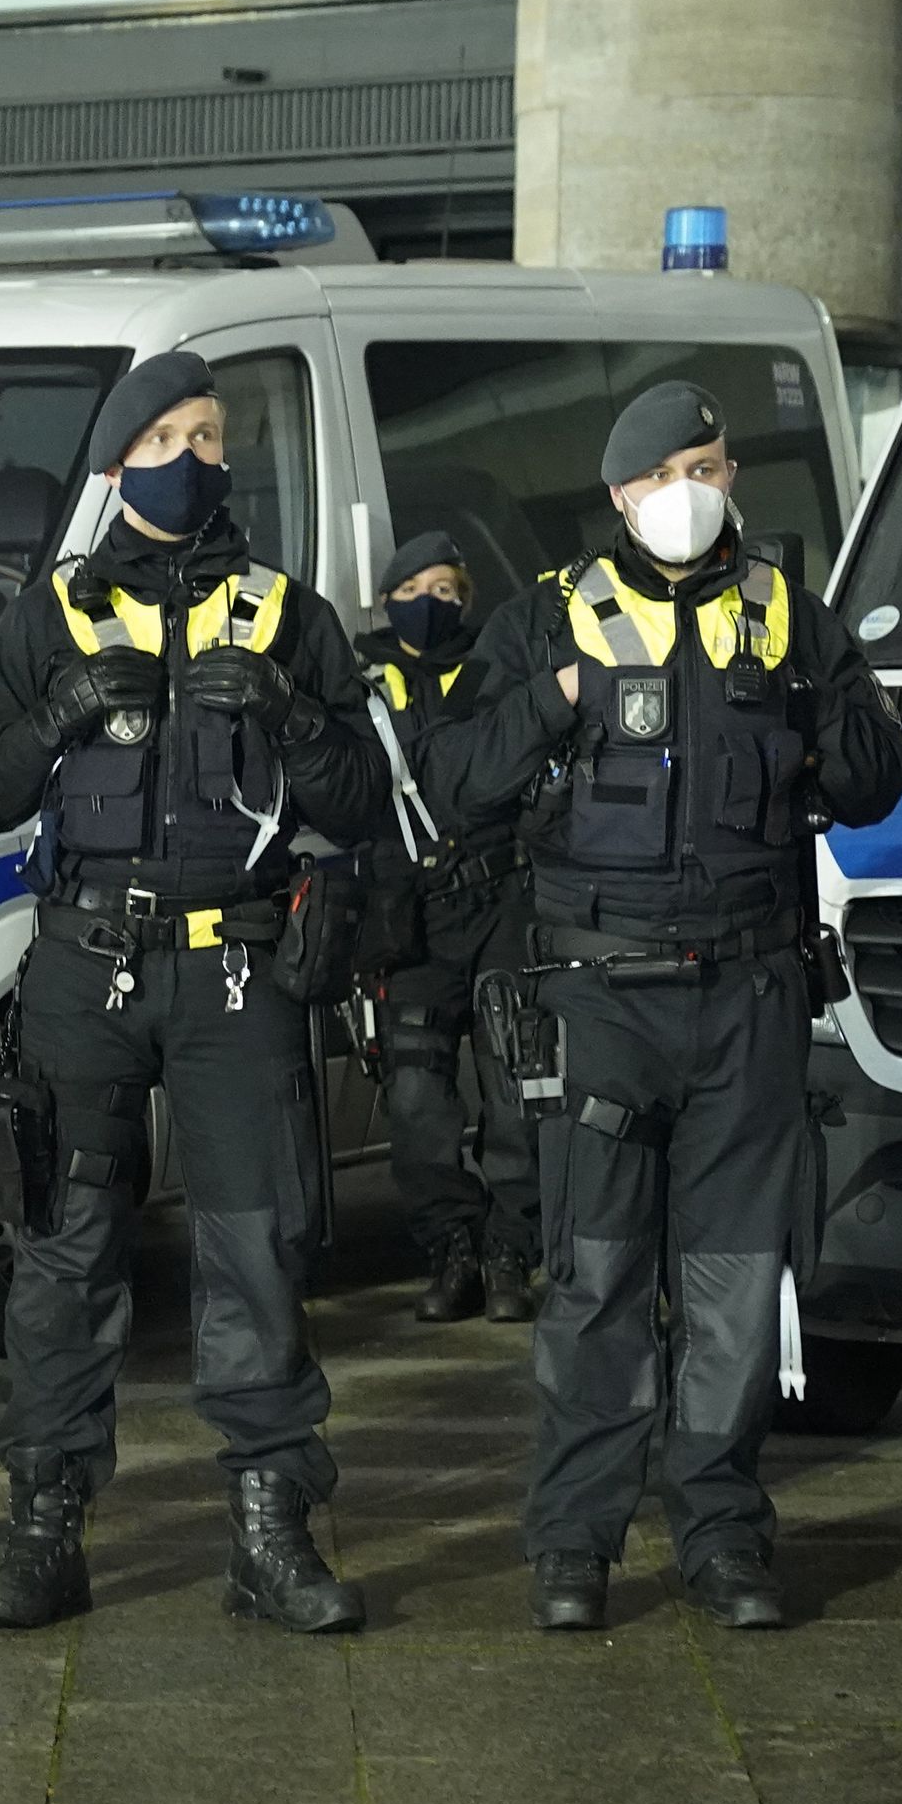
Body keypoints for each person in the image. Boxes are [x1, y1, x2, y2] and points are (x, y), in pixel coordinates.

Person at [444, 382, 902, 1634]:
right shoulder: (550, 619)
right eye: (668, 472)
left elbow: (878, 776)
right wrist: (553, 697)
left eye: (710, 464)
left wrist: (813, 715)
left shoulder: (785, 619)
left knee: (730, 1290)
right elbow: (455, 779)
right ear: (620, 495)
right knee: (595, 1282)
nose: (693, 490)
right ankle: (574, 1545)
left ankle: (720, 1536)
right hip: (600, 997)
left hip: (748, 996)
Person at [0, 350, 387, 1636]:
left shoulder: (284, 613)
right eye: (174, 436)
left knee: (256, 1250)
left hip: (236, 969)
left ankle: (268, 1528)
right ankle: (45, 1527)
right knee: (66, 1254)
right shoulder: (54, 614)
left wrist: (294, 720)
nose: (201, 457)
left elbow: (365, 800)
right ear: (119, 460)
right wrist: (58, 714)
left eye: (214, 435)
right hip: (85, 967)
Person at [353, 532, 539, 1325]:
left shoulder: (500, 670)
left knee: (516, 1087)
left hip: (501, 904)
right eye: (420, 587)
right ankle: (451, 1249)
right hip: (414, 916)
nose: (438, 602)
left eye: (451, 588)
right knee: (419, 1097)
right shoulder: (362, 684)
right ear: (390, 596)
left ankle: (507, 1252)